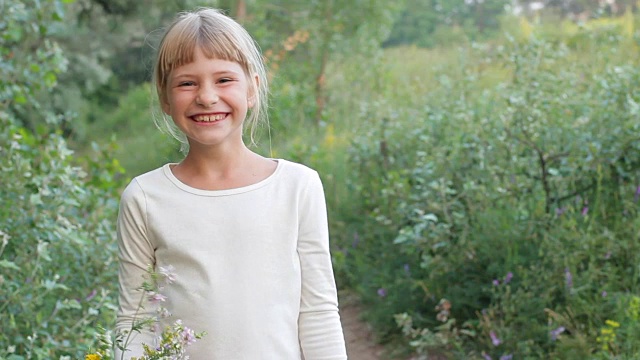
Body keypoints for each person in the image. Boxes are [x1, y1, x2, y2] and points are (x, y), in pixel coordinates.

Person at [114, 7, 348, 359]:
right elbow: (135, 321)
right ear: (164, 97)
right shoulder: (146, 198)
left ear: (252, 89)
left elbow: (318, 313)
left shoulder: (298, 187)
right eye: (187, 82)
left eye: (224, 80)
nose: (206, 97)